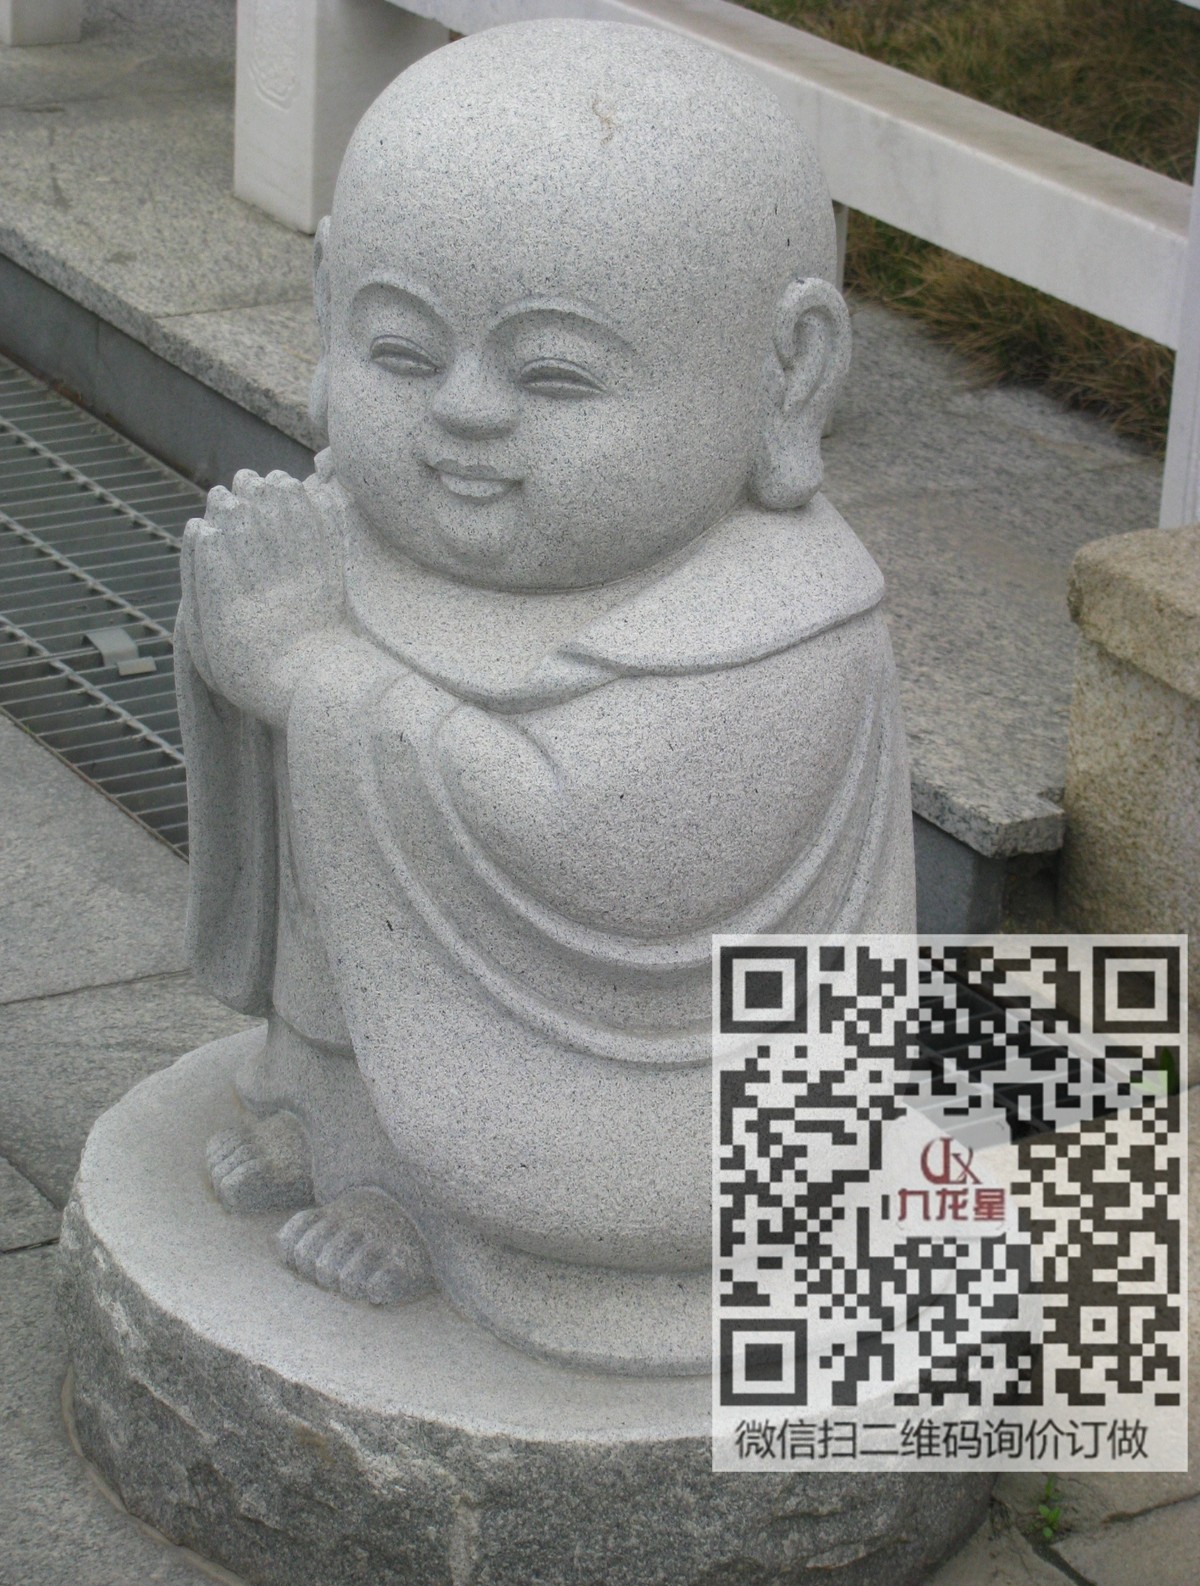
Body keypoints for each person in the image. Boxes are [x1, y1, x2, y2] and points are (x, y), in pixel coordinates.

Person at [177, 18, 915, 1375]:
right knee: (333, 815)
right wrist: (248, 636)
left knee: (350, 752)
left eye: (554, 374)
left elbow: (603, 848)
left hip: (656, 1103)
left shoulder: (782, 626)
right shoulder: (372, 530)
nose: (464, 411)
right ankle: (346, 1135)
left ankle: (435, 1197)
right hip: (405, 1044)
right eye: (402, 354)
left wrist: (307, 674)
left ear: (787, 372)